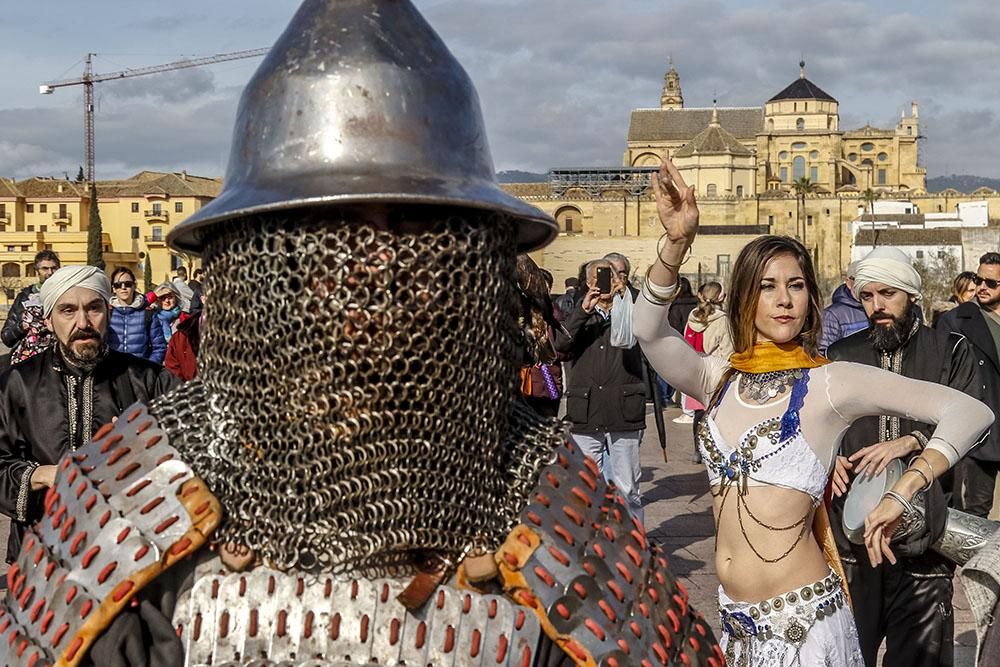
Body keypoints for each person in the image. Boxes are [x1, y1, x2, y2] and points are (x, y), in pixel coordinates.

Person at [0, 5, 721, 666]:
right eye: (330, 237)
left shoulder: (540, 489)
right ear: (259, 260)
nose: (376, 268)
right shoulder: (133, 495)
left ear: (468, 258)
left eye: (415, 233)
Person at [634, 158, 993, 666]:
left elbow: (969, 411)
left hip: (804, 627)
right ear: (744, 296)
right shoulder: (718, 378)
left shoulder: (830, 382)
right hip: (735, 621)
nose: (784, 300)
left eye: (797, 285)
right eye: (767, 286)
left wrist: (904, 488)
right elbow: (648, 330)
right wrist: (675, 245)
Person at [826, 246, 982, 667]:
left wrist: (912, 440)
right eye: (867, 296)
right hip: (855, 543)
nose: (877, 306)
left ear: (912, 293)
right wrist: (829, 457)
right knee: (847, 656)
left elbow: (975, 422)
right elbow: (821, 422)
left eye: (888, 294)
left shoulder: (950, 350)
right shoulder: (841, 357)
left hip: (924, 541)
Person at [0, 265, 176, 561]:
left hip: (131, 554)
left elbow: (197, 454)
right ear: (49, 321)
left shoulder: (150, 380)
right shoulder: (15, 384)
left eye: (93, 308)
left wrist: (149, 451)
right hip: (41, 553)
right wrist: (42, 476)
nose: (83, 322)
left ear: (108, 311)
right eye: (68, 311)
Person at [554, 258, 647, 522]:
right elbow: (560, 345)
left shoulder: (632, 306)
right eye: (598, 276)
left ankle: (633, 545)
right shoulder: (579, 310)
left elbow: (650, 333)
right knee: (585, 487)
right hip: (586, 409)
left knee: (627, 487)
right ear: (587, 282)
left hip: (623, 407)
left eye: (611, 274)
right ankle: (590, 542)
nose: (605, 281)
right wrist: (584, 310)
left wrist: (624, 297)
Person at [936, 252, 1000, 518]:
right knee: (975, 511)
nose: (982, 287)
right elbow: (943, 374)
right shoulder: (957, 320)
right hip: (982, 427)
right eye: (978, 279)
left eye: (991, 283)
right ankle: (975, 561)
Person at [684, 281, 734, 463]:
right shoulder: (722, 320)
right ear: (722, 297)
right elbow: (728, 350)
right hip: (715, 372)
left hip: (694, 370)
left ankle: (697, 449)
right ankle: (713, 449)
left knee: (699, 414)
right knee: (716, 415)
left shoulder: (692, 317)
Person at [1, 249, 60, 365]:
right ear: (37, 271)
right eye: (45, 268)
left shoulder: (67, 295)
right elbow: (6, 337)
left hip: (57, 360)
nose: (50, 272)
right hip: (28, 363)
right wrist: (23, 325)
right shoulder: (24, 297)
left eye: (54, 268)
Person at [107, 266, 167, 364]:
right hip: (113, 374)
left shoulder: (148, 314)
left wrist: (147, 369)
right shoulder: (107, 313)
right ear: (113, 288)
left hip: (140, 374)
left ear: (134, 285)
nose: (123, 288)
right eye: (118, 285)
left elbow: (159, 347)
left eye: (128, 284)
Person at [819, 260, 867, 355]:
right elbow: (823, 353)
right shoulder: (832, 315)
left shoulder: (875, 309)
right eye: (860, 281)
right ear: (849, 282)